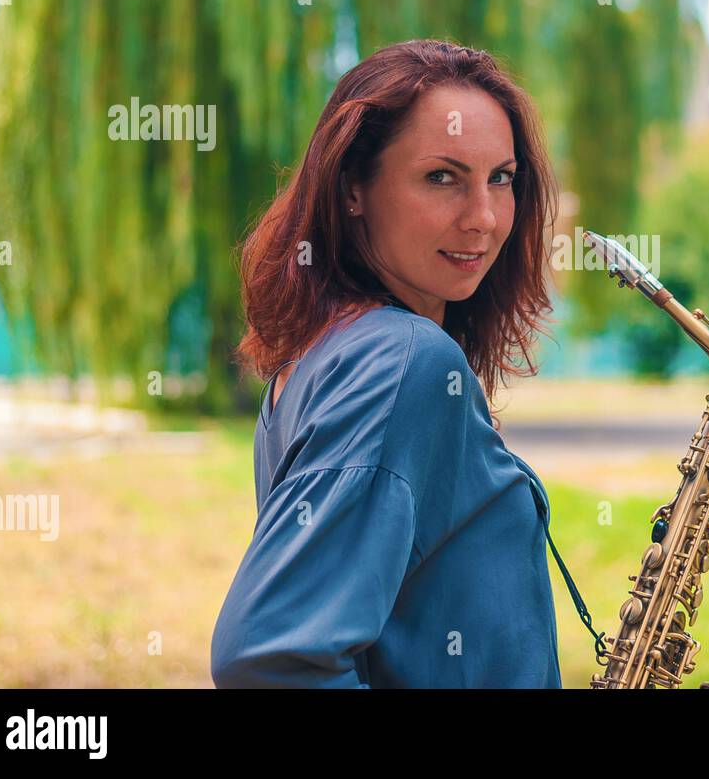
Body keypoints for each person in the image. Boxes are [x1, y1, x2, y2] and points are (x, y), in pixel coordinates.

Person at [211, 38, 586, 688]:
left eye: (501, 177)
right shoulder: (403, 359)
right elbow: (269, 660)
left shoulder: (322, 353)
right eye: (442, 176)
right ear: (354, 188)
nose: (485, 217)